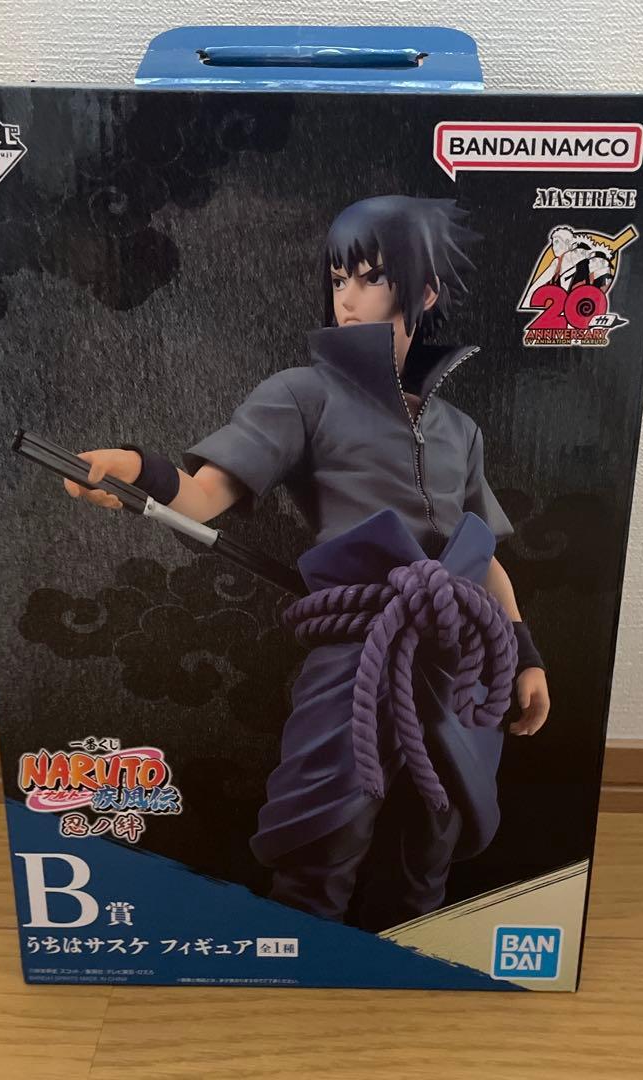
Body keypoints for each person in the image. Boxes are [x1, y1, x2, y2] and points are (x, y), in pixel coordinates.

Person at [64, 196, 550, 930]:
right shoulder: (304, 394)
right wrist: (140, 470)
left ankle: (414, 965)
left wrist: (524, 654)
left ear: (423, 293)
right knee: (321, 833)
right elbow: (203, 496)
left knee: (433, 843)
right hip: (360, 650)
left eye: (372, 278)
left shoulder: (460, 429)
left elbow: (484, 556)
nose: (347, 297)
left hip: (460, 656)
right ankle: (303, 963)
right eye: (339, 277)